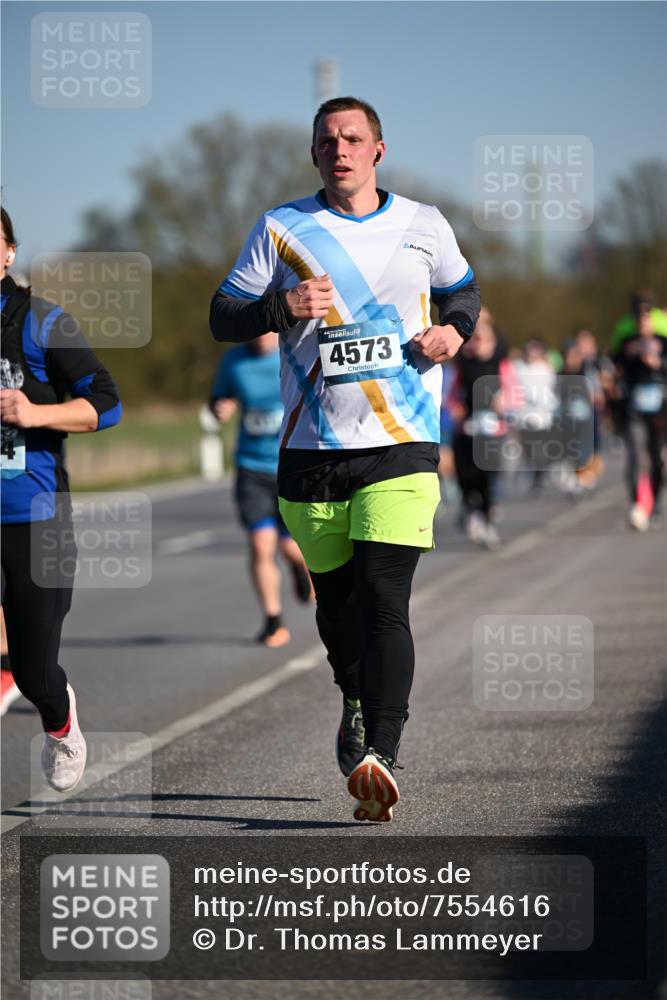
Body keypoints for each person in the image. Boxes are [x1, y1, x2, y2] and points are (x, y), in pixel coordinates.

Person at [210, 96, 480, 821]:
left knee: (385, 598)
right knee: (338, 607)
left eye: (353, 138)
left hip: (401, 443)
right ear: (314, 154)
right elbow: (221, 316)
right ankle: (354, 698)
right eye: (327, 140)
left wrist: (452, 332)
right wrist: (280, 306)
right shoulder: (280, 228)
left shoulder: (423, 224)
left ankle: (381, 753)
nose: (340, 149)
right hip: (310, 449)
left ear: (377, 151)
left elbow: (463, 291)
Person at [1, 207, 122, 790]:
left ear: (8, 253)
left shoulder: (42, 323)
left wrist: (34, 413)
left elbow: (107, 401)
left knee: (33, 669)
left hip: (35, 517)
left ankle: (58, 718)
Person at [210, 330, 313, 647]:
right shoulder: (234, 359)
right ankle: (273, 621)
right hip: (251, 467)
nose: (258, 335)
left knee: (289, 547)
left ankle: (299, 566)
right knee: (260, 544)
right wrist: (220, 407)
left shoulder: (296, 351)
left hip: (291, 463)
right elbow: (218, 396)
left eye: (265, 328)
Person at [448, 307, 510, 550]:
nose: (480, 343)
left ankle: (486, 521)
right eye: (476, 338)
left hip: (493, 429)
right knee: (466, 476)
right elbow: (452, 392)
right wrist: (454, 406)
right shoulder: (464, 362)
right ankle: (471, 509)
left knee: (488, 477)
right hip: (468, 427)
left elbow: (514, 391)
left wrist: (504, 400)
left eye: (485, 338)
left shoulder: (500, 361)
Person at [612, 305, 667, 530]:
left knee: (657, 460)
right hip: (634, 409)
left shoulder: (663, 342)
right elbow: (614, 368)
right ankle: (636, 504)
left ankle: (653, 503)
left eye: (646, 319)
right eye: (639, 319)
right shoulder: (627, 344)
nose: (643, 323)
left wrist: (660, 364)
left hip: (659, 410)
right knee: (635, 456)